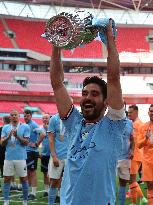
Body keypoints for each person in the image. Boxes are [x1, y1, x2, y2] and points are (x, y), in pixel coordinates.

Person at [50, 20, 127, 205]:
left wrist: (110, 41)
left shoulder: (113, 125)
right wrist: (57, 45)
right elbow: (57, 83)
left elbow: (114, 79)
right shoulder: (73, 123)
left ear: (106, 101)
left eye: (94, 94)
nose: (87, 98)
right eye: (84, 93)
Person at [1, 110, 30, 205]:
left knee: (24, 179)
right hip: (8, 158)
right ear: (10, 117)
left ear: (19, 116)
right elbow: (2, 143)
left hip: (20, 158)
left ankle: (25, 201)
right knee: (6, 179)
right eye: (12, 115)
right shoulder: (5, 127)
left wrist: (17, 136)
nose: (14, 116)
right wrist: (9, 136)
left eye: (15, 115)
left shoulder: (25, 126)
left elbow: (26, 143)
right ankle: (6, 201)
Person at [24, 109, 45, 200]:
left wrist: (36, 144)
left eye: (27, 115)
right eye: (24, 116)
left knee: (32, 172)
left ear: (31, 116)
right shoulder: (25, 125)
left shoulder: (33, 125)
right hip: (26, 152)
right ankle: (29, 192)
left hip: (32, 152)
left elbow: (43, 134)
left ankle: (33, 193)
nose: (26, 117)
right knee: (27, 172)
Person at [128, 105, 147, 205]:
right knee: (132, 180)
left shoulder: (136, 124)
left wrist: (131, 151)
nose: (129, 114)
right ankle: (134, 202)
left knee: (132, 180)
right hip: (138, 155)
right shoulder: (139, 123)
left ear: (136, 112)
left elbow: (134, 141)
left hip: (134, 155)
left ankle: (143, 198)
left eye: (130, 112)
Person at [47, 113, 68, 205]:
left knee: (69, 183)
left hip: (70, 157)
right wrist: (54, 156)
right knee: (54, 181)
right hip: (57, 156)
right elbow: (51, 139)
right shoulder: (54, 119)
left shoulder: (73, 118)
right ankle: (50, 203)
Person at [117, 117, 134, 205]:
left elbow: (132, 138)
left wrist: (132, 149)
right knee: (107, 182)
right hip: (110, 158)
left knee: (123, 182)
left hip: (125, 157)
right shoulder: (107, 120)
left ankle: (121, 203)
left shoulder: (130, 122)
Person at [40, 114, 51, 197]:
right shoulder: (40, 129)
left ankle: (54, 190)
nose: (45, 119)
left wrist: (48, 130)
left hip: (53, 155)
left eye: (46, 118)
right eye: (43, 118)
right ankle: (46, 190)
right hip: (44, 154)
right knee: (45, 173)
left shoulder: (53, 128)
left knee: (54, 174)